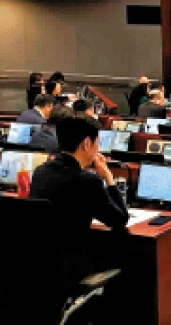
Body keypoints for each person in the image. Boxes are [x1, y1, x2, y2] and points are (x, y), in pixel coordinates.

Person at [28, 114, 129, 280]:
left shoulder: (40, 171)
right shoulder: (87, 181)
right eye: (97, 143)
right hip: (73, 268)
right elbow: (120, 220)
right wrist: (109, 179)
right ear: (86, 143)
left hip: (40, 265)